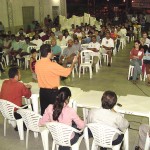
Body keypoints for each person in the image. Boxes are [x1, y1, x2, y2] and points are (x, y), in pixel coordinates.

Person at [35, 44, 77, 115]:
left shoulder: (37, 63)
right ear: (48, 53)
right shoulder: (53, 65)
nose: (52, 53)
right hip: (52, 93)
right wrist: (73, 63)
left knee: (45, 112)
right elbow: (67, 72)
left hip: (42, 91)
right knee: (54, 113)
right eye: (51, 51)